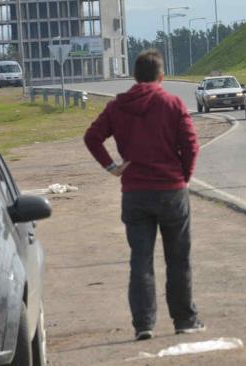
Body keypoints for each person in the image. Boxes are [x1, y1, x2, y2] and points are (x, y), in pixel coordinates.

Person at [84, 50, 203, 341]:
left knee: (140, 260)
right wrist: (183, 177)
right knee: (178, 259)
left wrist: (112, 167)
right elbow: (191, 145)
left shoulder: (117, 106)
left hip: (135, 192)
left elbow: (92, 137)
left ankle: (144, 324)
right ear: (161, 77)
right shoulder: (172, 103)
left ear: (135, 77)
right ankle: (185, 320)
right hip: (171, 190)